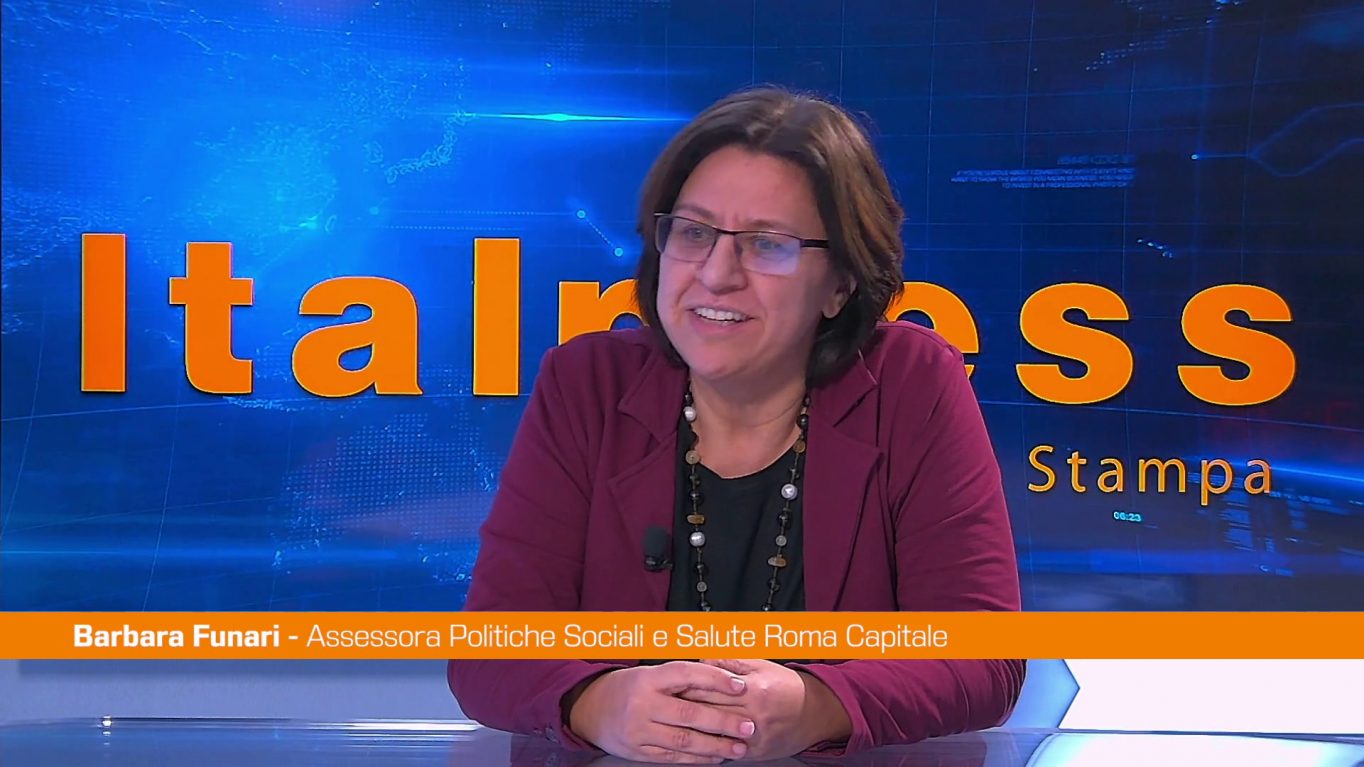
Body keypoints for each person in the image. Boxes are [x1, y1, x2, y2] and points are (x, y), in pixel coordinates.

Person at [447, 86, 1023, 763]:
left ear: (840, 283)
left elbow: (984, 656)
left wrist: (816, 707)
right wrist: (599, 703)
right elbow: (490, 652)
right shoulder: (587, 384)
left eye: (767, 244)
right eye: (694, 232)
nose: (717, 275)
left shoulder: (909, 382)